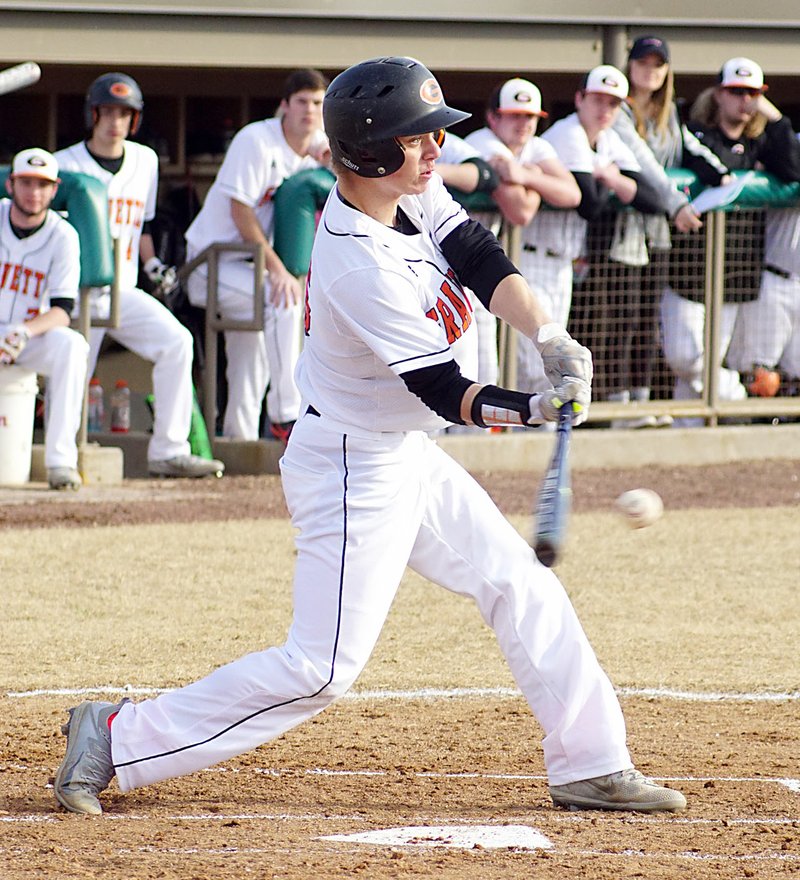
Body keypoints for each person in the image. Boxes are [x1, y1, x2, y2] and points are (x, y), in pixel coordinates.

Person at [53, 56, 686, 818]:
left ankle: (592, 762)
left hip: (404, 451)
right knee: (322, 669)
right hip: (352, 466)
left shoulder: (412, 200)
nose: (435, 151)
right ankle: (115, 737)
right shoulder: (356, 259)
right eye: (418, 139)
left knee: (522, 583)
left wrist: (548, 333)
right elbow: (442, 390)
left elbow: (480, 257)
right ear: (372, 151)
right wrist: (533, 406)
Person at [55, 72, 224, 478]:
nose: (115, 121)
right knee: (71, 366)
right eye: (108, 112)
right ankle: (59, 457)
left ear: (135, 120)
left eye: (124, 113)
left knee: (177, 343)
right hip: (76, 289)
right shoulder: (64, 164)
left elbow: (143, 226)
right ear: (93, 115)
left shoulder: (145, 161)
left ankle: (168, 451)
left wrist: (152, 266)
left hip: (124, 287)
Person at [185, 68, 330, 444]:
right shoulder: (256, 139)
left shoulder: (320, 147)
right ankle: (286, 414)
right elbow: (240, 210)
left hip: (249, 268)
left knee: (250, 364)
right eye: (301, 101)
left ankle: (240, 444)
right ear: (284, 105)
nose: (309, 110)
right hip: (210, 262)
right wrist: (278, 269)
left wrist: (331, 160)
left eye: (317, 102)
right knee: (283, 300)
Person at [663, 57, 800, 418]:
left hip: (736, 273)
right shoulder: (697, 134)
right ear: (719, 93)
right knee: (685, 357)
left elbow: (792, 168)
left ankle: (687, 434)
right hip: (690, 271)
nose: (744, 101)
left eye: (752, 93)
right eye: (737, 92)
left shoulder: (761, 145)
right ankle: (735, 394)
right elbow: (698, 159)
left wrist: (775, 118)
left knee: (706, 362)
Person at [539, 65, 663, 402]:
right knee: (532, 357)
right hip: (531, 252)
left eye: (613, 103)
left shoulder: (608, 139)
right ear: (580, 99)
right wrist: (615, 183)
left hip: (562, 261)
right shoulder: (568, 133)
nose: (604, 109)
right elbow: (590, 204)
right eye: (598, 100)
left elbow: (653, 198)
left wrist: (610, 177)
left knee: (550, 353)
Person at [606, 35, 705, 427]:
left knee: (649, 318)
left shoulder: (669, 114)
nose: (651, 70)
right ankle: (617, 407)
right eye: (643, 62)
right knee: (621, 317)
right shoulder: (619, 110)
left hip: (657, 230)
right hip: (624, 228)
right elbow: (643, 162)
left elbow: (686, 153)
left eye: (658, 63)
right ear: (630, 66)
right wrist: (676, 202)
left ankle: (640, 403)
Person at [465, 77, 582, 395]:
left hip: (481, 267)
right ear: (493, 117)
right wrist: (538, 181)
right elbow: (522, 210)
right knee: (473, 372)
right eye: (514, 115)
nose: (523, 123)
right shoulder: (481, 143)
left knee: (493, 370)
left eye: (529, 116)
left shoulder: (535, 147)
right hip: (454, 270)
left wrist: (524, 175)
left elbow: (572, 193)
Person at [0, 148, 88, 490]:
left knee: (72, 346)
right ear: (10, 184)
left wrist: (23, 332)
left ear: (54, 189)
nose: (33, 192)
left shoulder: (63, 236)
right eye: (26, 183)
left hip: (27, 336)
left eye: (42, 184)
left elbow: (63, 309)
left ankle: (60, 461)